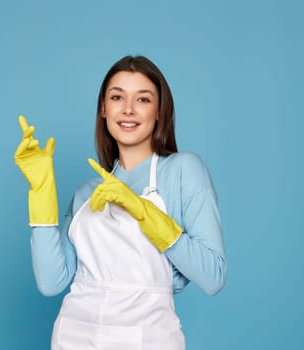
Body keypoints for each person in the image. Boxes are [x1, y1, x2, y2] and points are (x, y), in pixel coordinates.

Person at [14, 55, 226, 349]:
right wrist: (41, 190)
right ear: (103, 108)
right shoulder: (87, 192)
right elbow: (51, 283)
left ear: (159, 111)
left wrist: (143, 211)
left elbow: (213, 276)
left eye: (143, 99)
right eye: (117, 97)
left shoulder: (182, 170)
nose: (128, 109)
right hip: (74, 336)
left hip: (147, 338)